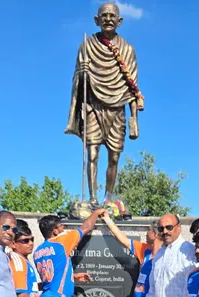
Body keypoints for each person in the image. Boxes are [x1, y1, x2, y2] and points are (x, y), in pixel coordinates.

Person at [65, 2, 143, 203]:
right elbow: (77, 82)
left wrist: (134, 117)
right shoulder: (87, 46)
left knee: (114, 157)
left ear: (120, 21)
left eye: (112, 16)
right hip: (94, 107)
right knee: (92, 153)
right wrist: (82, 74)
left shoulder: (127, 50)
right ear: (96, 20)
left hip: (117, 110)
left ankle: (108, 199)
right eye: (104, 15)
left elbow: (132, 86)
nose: (108, 19)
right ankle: (92, 199)